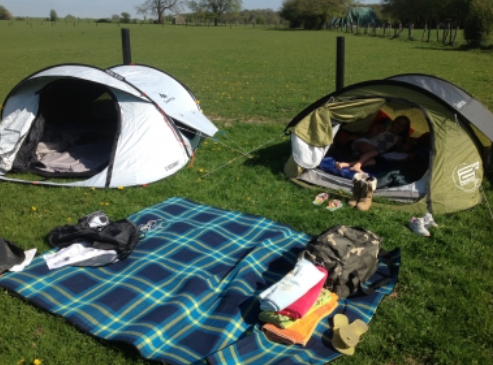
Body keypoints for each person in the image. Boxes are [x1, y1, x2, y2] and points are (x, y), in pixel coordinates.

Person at [336, 116, 411, 173]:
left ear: (405, 129)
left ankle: (344, 164)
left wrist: (404, 149)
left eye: (402, 126)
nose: (399, 126)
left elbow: (397, 150)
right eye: (398, 123)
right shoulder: (384, 129)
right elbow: (368, 136)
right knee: (374, 152)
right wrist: (374, 132)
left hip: (368, 154)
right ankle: (357, 166)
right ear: (394, 122)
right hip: (363, 143)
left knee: (372, 161)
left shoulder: (398, 138)